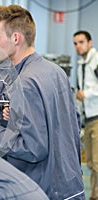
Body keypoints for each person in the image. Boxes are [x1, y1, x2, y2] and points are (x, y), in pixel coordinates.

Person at [0, 4, 85, 199]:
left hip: (46, 190)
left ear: (16, 38)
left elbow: (33, 149)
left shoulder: (23, 83)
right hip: (71, 184)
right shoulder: (55, 71)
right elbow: (71, 123)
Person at [74, 30, 98, 200]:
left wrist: (86, 94)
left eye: (81, 42)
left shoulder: (95, 61)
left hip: (97, 117)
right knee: (90, 162)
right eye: (75, 43)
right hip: (88, 118)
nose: (78, 46)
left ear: (90, 43)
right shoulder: (81, 64)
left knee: (96, 162)